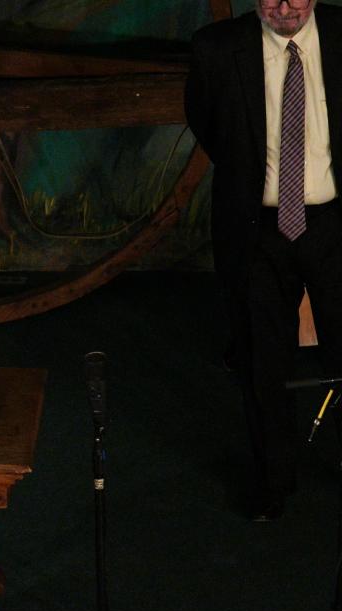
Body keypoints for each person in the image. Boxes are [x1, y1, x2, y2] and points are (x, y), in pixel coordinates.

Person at [185, 0, 342, 521]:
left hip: (334, 225)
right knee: (261, 363)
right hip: (257, 229)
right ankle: (273, 481)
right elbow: (207, 127)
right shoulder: (216, 49)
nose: (285, 6)